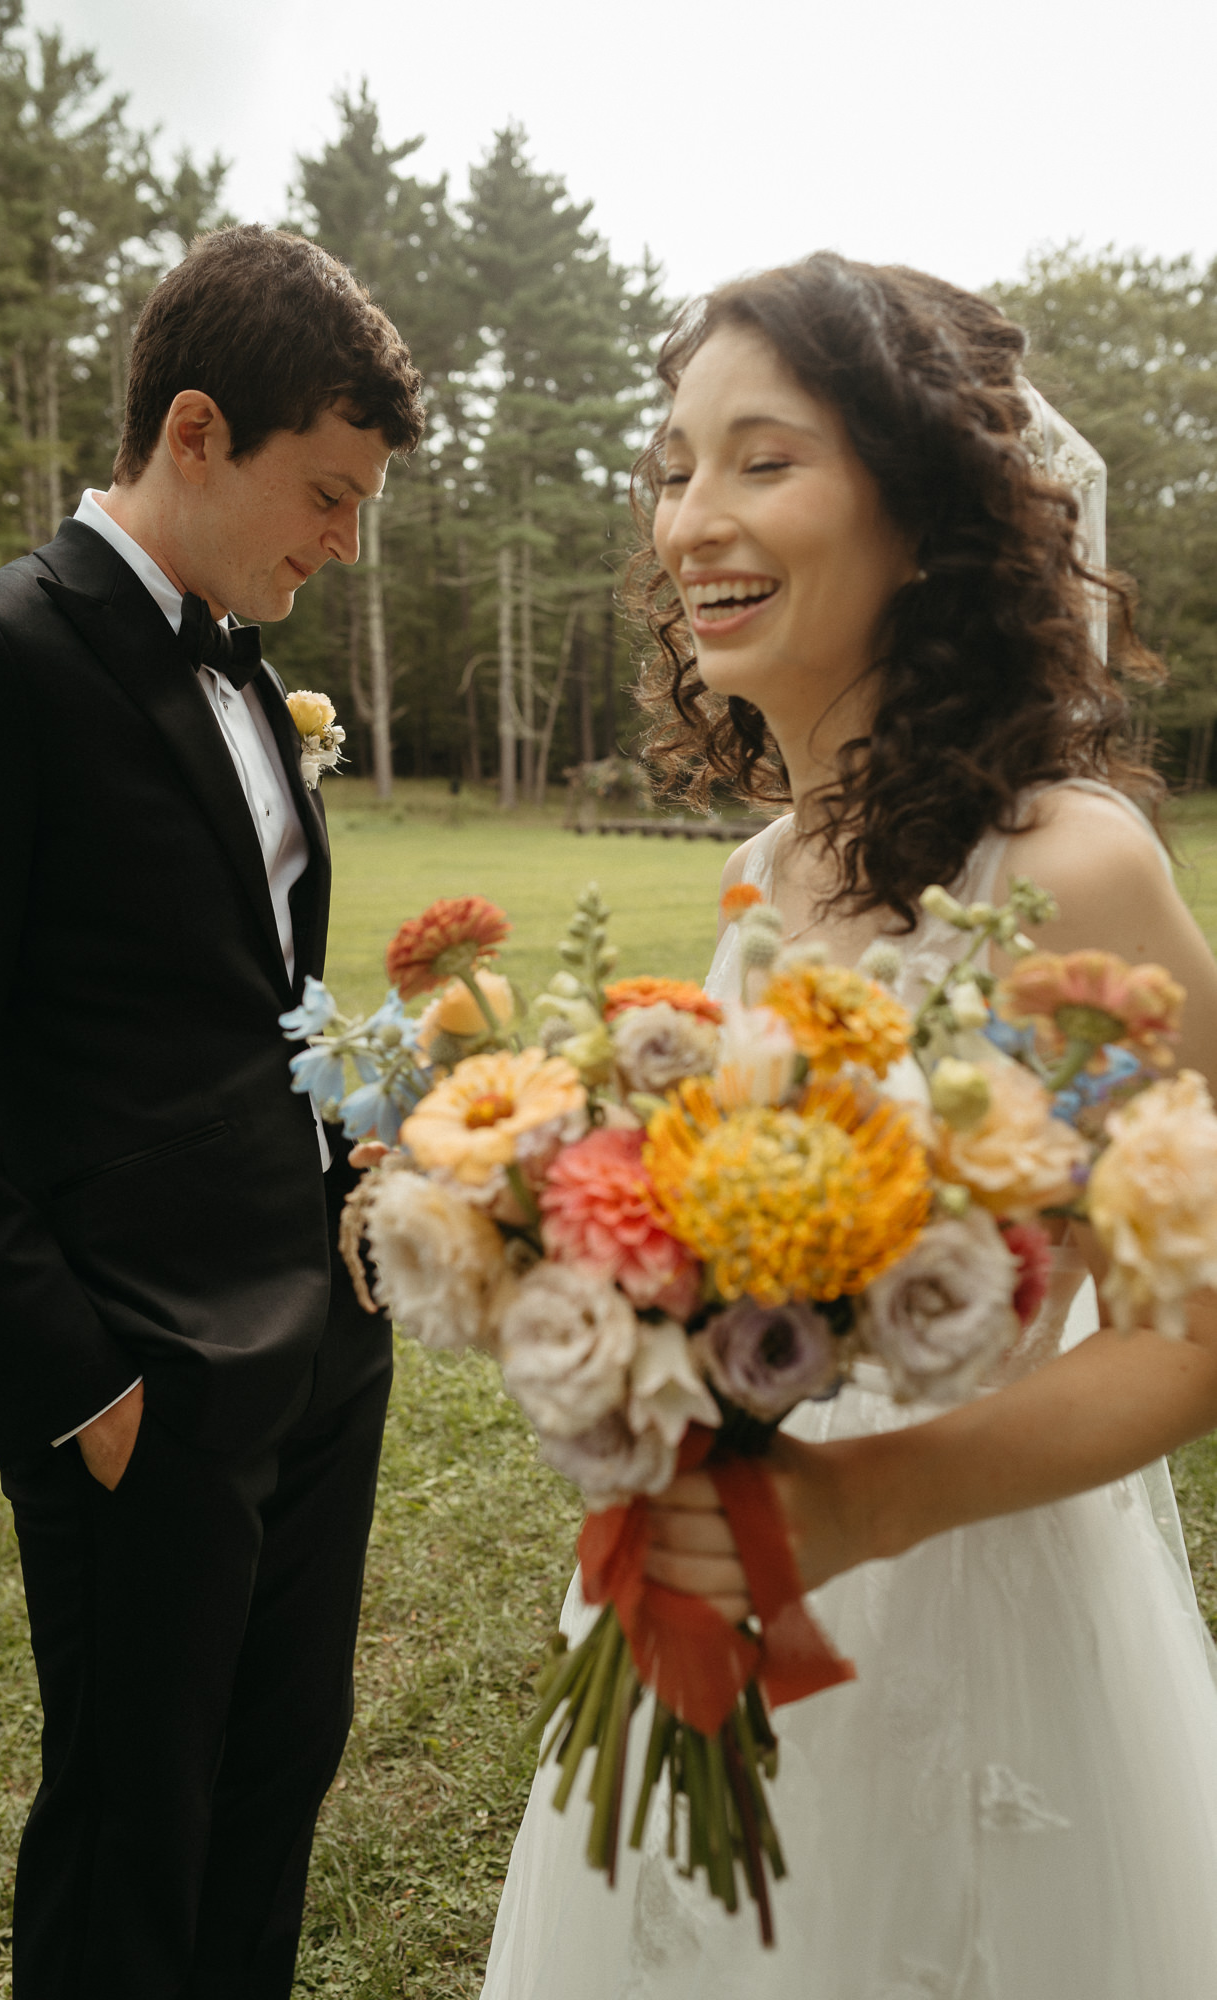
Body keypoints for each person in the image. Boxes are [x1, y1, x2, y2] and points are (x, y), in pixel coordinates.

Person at [481, 254, 1217, 1998]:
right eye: (671, 468)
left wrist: (863, 1505)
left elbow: (1195, 1323)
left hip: (965, 1609)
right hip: (711, 1592)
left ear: (924, 508)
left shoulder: (1071, 871)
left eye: (761, 458)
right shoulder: (760, 875)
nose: (689, 522)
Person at [0, 224, 424, 1999]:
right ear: (195, 430)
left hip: (325, 1350)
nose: (342, 542)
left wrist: (369, 1143)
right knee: (134, 1841)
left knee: (275, 1795)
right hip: (147, 1396)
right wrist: (82, 1393)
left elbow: (246, 998)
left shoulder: (254, 672)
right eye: (326, 495)